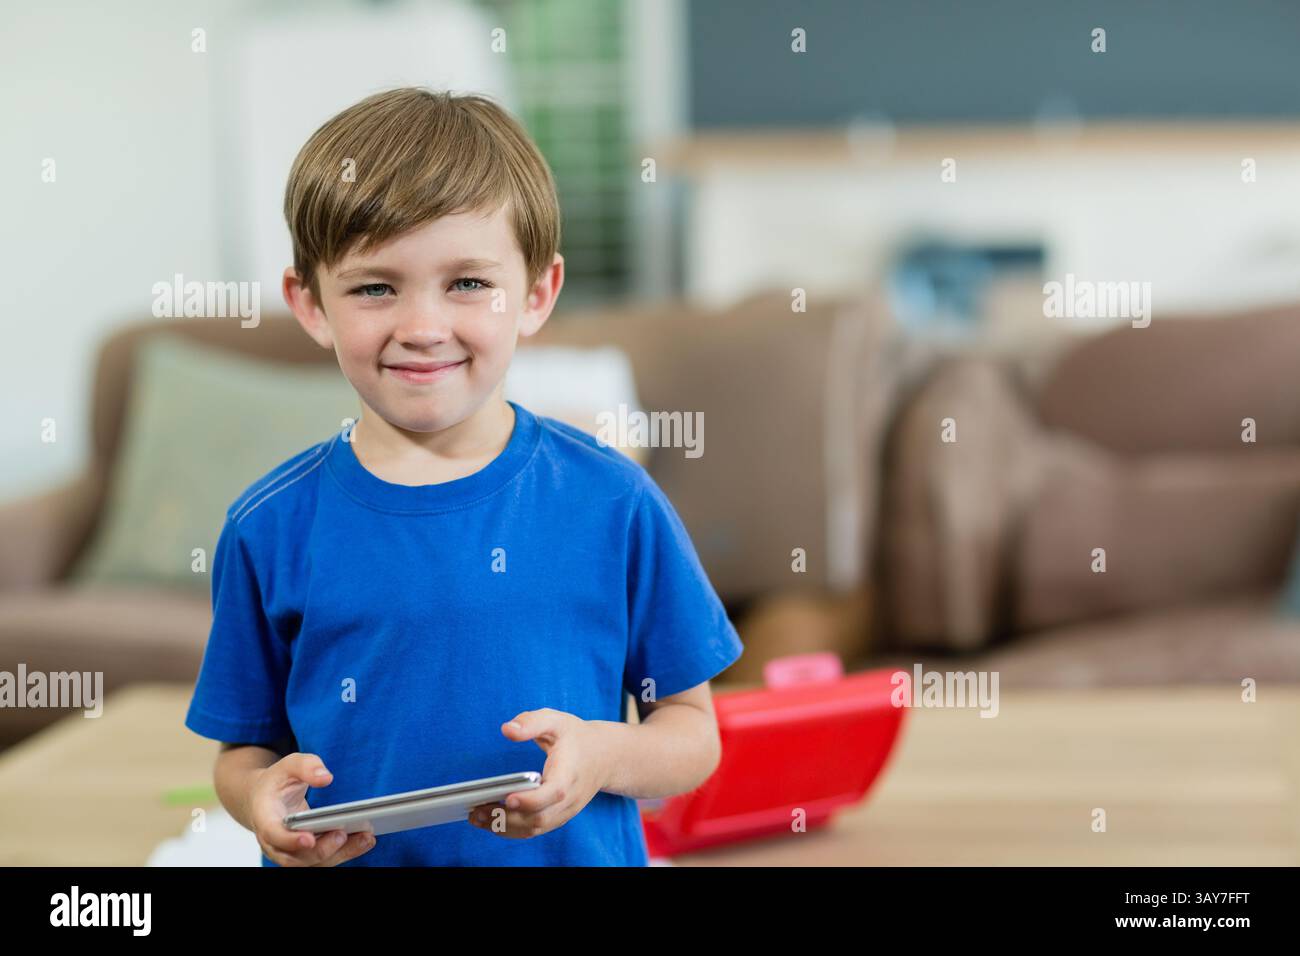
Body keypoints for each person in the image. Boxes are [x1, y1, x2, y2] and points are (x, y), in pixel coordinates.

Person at [183, 87, 743, 866]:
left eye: (468, 283)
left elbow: (693, 734)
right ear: (309, 304)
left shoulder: (613, 502)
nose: (420, 328)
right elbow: (240, 754)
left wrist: (604, 756)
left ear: (537, 295)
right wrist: (259, 804)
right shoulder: (268, 525)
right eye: (375, 287)